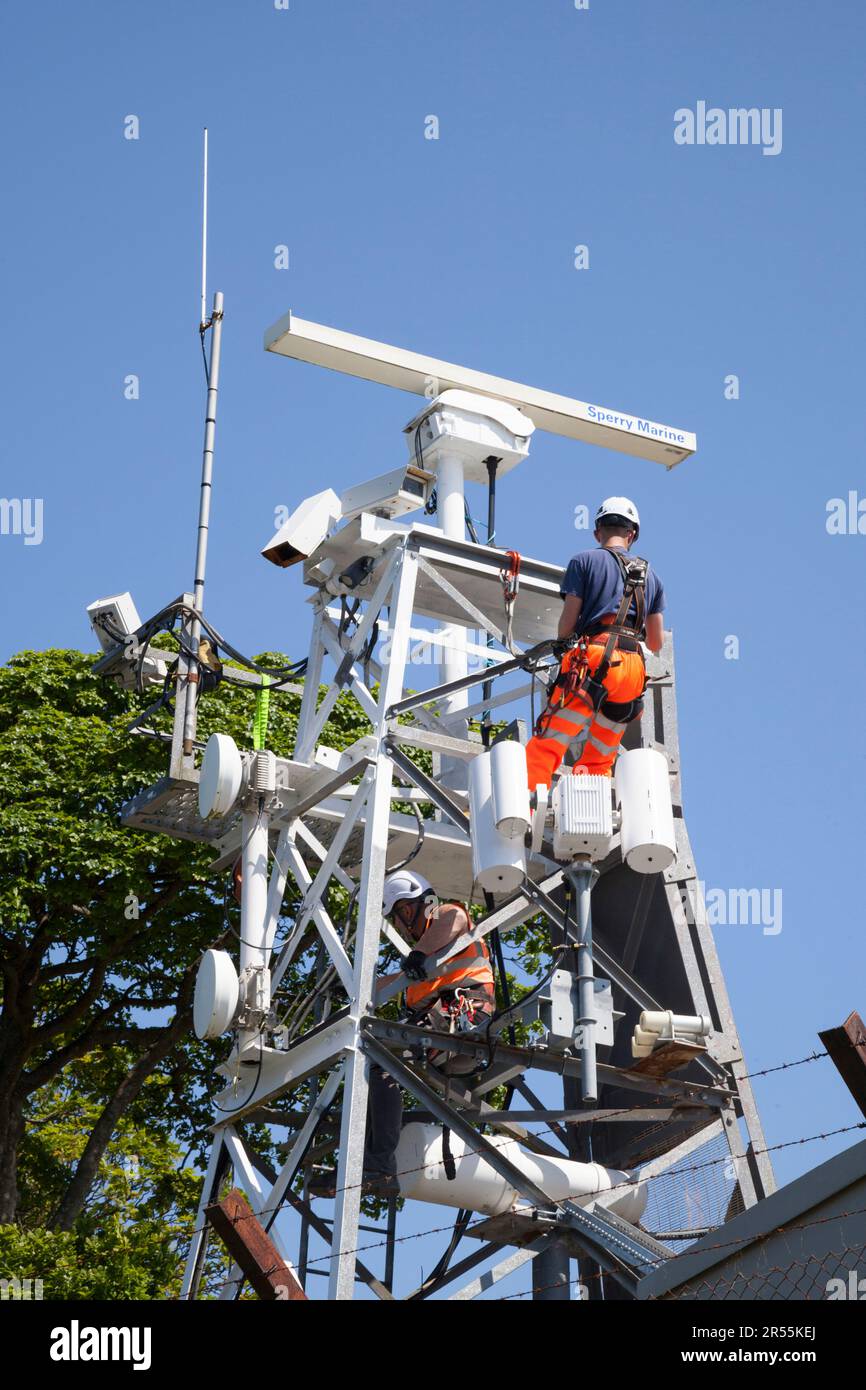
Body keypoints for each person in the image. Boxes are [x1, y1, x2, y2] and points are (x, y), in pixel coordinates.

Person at [310, 870, 495, 1199]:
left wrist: (419, 953)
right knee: (367, 1069)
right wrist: (350, 986)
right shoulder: (424, 964)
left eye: (401, 915)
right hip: (440, 1028)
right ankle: (362, 1165)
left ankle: (378, 1165)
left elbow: (452, 919)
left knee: (384, 1057)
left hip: (466, 1014)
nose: (401, 927)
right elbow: (391, 981)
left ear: (415, 906)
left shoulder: (448, 917)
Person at [525, 497, 666, 791]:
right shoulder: (653, 578)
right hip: (631, 675)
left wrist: (562, 644)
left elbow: (568, 621)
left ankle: (524, 803)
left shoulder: (584, 561)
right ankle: (589, 809)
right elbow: (655, 642)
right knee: (600, 758)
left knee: (549, 743)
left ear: (597, 532)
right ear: (632, 534)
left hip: (593, 662)